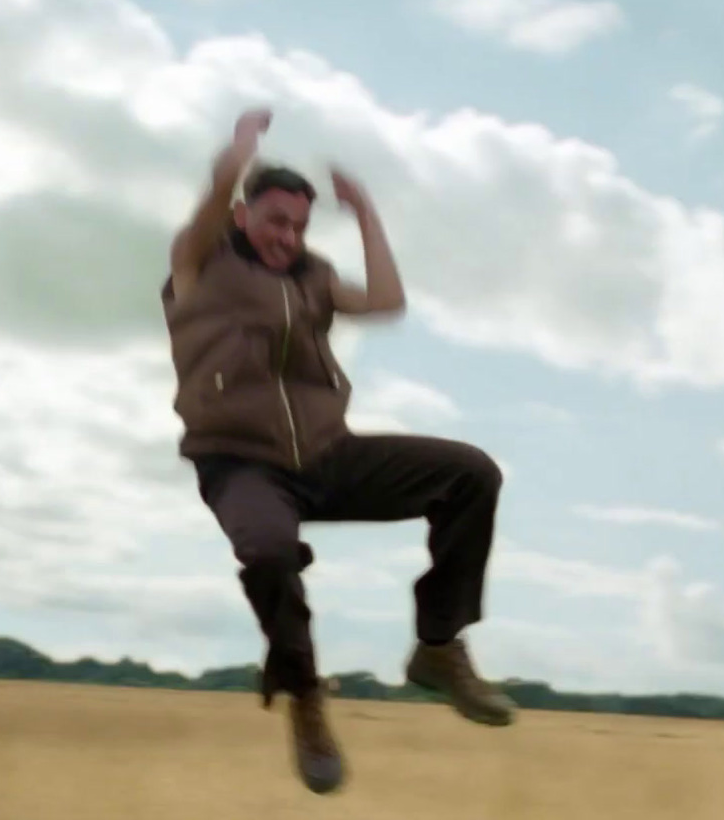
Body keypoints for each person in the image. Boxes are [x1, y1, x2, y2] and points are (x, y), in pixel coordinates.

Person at [160, 108, 516, 795]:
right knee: (266, 549)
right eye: (275, 222)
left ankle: (439, 649)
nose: (287, 237)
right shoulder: (199, 264)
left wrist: (367, 214)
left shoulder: (314, 278)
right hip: (239, 461)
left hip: (327, 456)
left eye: (299, 226)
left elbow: (386, 299)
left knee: (471, 474)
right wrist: (236, 155)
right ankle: (305, 697)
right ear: (242, 216)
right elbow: (210, 206)